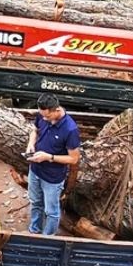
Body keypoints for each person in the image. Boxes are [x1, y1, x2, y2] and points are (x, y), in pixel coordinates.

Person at [25, 94, 81, 235]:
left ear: (56, 110)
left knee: (51, 211)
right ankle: (34, 231)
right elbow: (35, 130)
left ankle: (48, 238)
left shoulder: (70, 129)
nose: (44, 119)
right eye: (42, 115)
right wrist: (31, 144)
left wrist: (49, 157)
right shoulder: (42, 115)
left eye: (47, 117)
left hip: (52, 177)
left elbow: (74, 159)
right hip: (35, 170)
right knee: (35, 202)